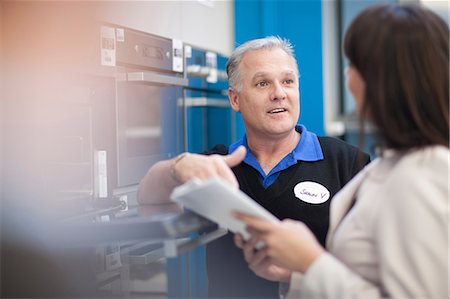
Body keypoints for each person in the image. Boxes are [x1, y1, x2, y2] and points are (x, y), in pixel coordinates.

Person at [233, 4, 449, 299]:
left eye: (355, 65)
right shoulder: (390, 167)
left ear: (385, 81)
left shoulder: (421, 176)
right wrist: (298, 274)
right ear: (235, 98)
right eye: (262, 83)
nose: (348, 77)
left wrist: (311, 261)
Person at [138, 36, 370, 298]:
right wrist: (177, 166)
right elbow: (148, 197)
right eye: (262, 83)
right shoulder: (216, 166)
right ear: (235, 99)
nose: (279, 93)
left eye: (288, 81)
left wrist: (298, 273)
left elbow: (372, 269)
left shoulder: (348, 163)